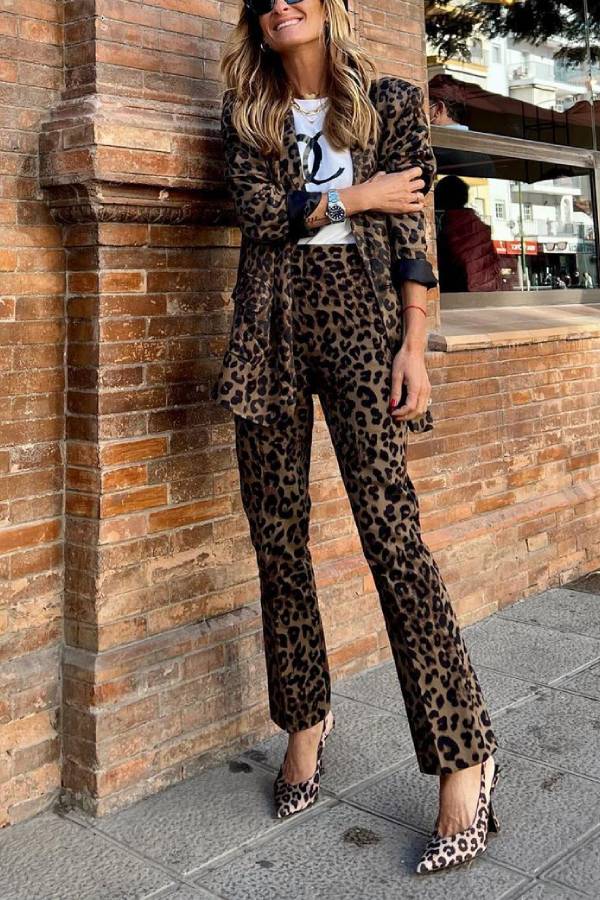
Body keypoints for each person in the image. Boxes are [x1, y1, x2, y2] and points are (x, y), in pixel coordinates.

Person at [212, 0, 501, 875]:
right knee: (277, 536)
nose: (280, 3)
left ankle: (464, 754)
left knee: (391, 535)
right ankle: (305, 722)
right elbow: (259, 213)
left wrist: (416, 342)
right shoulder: (248, 114)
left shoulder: (392, 101)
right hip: (269, 327)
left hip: (364, 320)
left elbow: (412, 230)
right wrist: (355, 195)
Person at [434, 175, 503, 293]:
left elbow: (449, 271)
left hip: (464, 295)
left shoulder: (451, 229)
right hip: (488, 293)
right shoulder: (479, 228)